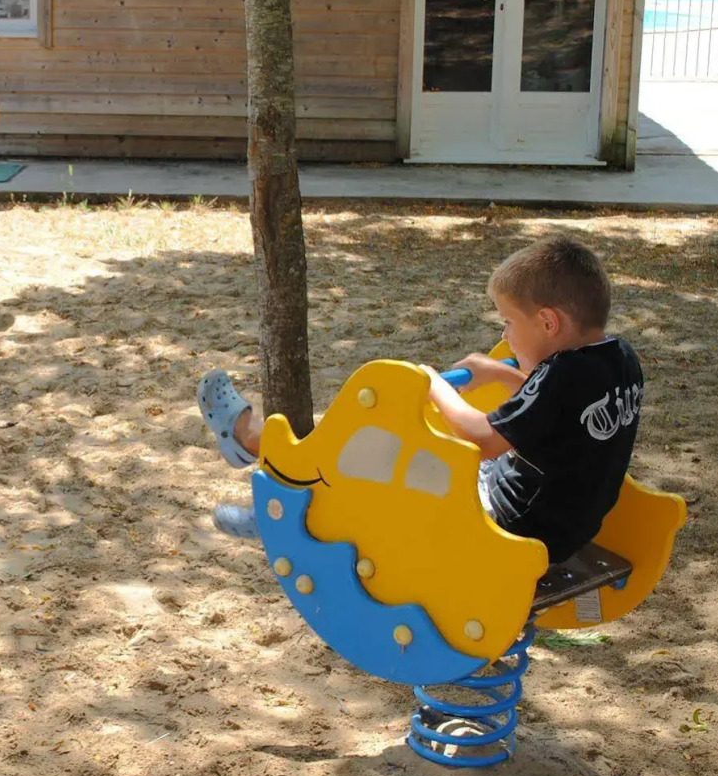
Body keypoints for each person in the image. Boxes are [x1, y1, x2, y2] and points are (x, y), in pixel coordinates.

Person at [200, 237, 645, 566]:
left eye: (509, 322)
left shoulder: (563, 374)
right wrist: (499, 373)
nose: (504, 334)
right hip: (560, 529)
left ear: (548, 322)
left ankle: (274, 485)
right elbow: (560, 410)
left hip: (503, 527)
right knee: (402, 452)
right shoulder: (617, 359)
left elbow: (481, 439)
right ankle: (278, 476)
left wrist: (432, 384)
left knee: (384, 451)